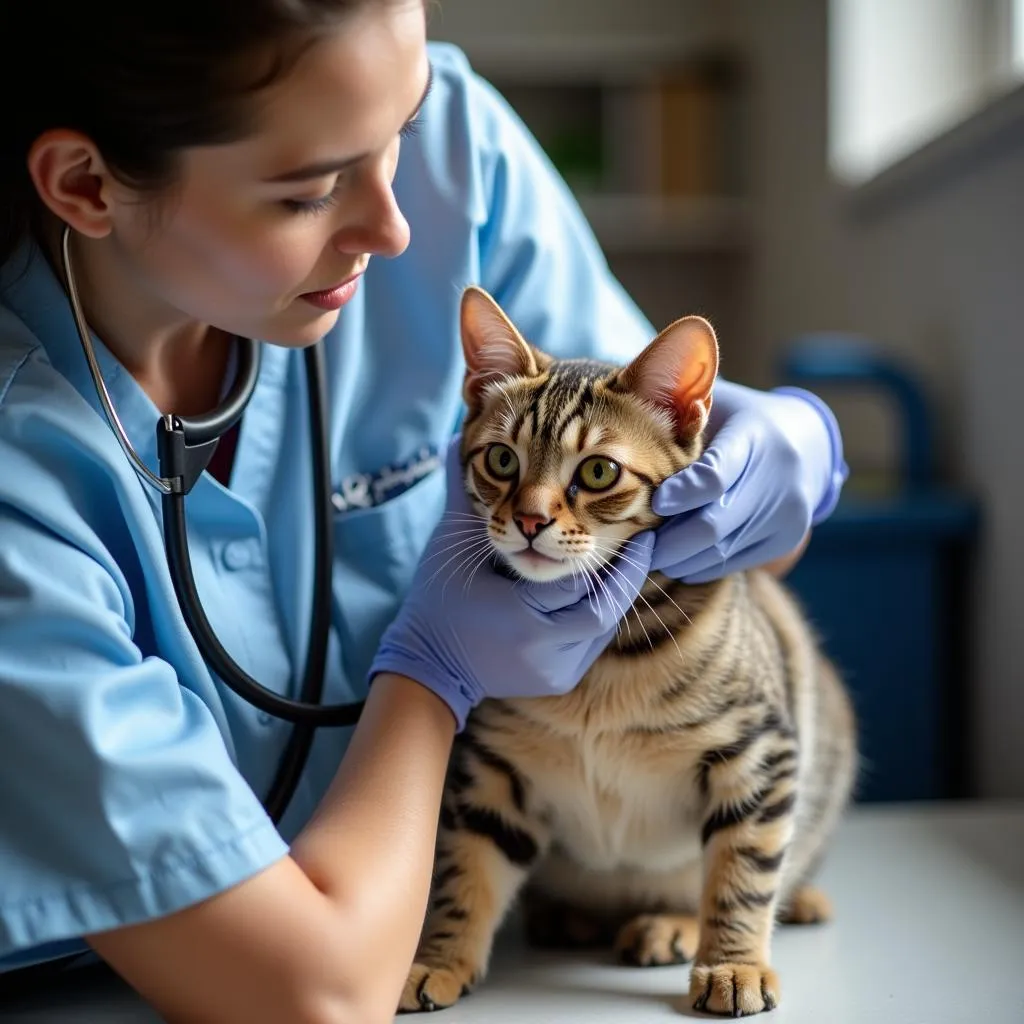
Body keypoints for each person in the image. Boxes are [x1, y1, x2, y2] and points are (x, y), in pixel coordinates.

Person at [0, 1, 847, 1021]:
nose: (395, 227)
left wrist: (780, 465)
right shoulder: (22, 475)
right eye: (309, 191)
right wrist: (432, 666)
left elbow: (711, 524)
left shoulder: (456, 150)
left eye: (398, 135)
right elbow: (312, 995)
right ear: (86, 185)